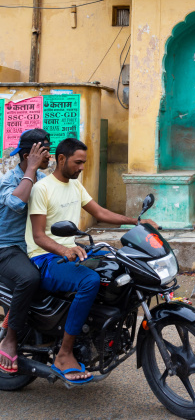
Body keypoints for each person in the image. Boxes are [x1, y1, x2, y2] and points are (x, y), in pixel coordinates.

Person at [27, 137, 158, 384]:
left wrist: (136, 222)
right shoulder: (42, 189)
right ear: (62, 159)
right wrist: (64, 251)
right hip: (44, 258)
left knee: (120, 263)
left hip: (71, 251)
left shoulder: (75, 186)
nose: (82, 168)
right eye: (78, 162)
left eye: (84, 163)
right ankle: (64, 354)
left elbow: (99, 212)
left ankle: (103, 330)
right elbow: (38, 236)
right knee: (89, 281)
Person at [0, 129, 51, 374]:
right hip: (7, 248)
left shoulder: (42, 179)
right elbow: (17, 203)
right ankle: (10, 338)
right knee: (29, 278)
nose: (48, 156)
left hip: (34, 246)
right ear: (27, 154)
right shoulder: (9, 180)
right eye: (43, 152)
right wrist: (30, 169)